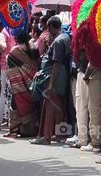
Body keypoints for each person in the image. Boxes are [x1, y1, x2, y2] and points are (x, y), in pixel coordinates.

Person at [30, 16, 72, 145]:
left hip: (55, 76)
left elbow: (56, 63)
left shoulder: (59, 41)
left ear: (51, 27)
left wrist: (51, 84)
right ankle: (59, 134)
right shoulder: (64, 37)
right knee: (58, 105)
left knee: (49, 105)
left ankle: (46, 136)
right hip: (61, 75)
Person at [7, 29, 40, 138]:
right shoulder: (34, 47)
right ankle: (30, 129)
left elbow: (11, 67)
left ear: (16, 39)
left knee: (15, 105)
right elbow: (36, 64)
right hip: (32, 83)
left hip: (19, 85)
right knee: (31, 106)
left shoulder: (14, 51)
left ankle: (14, 131)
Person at [67, 53, 101, 151]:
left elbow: (94, 57)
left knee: (93, 109)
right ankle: (83, 139)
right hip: (85, 72)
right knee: (83, 108)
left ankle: (95, 142)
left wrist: (87, 74)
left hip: (92, 72)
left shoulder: (92, 39)